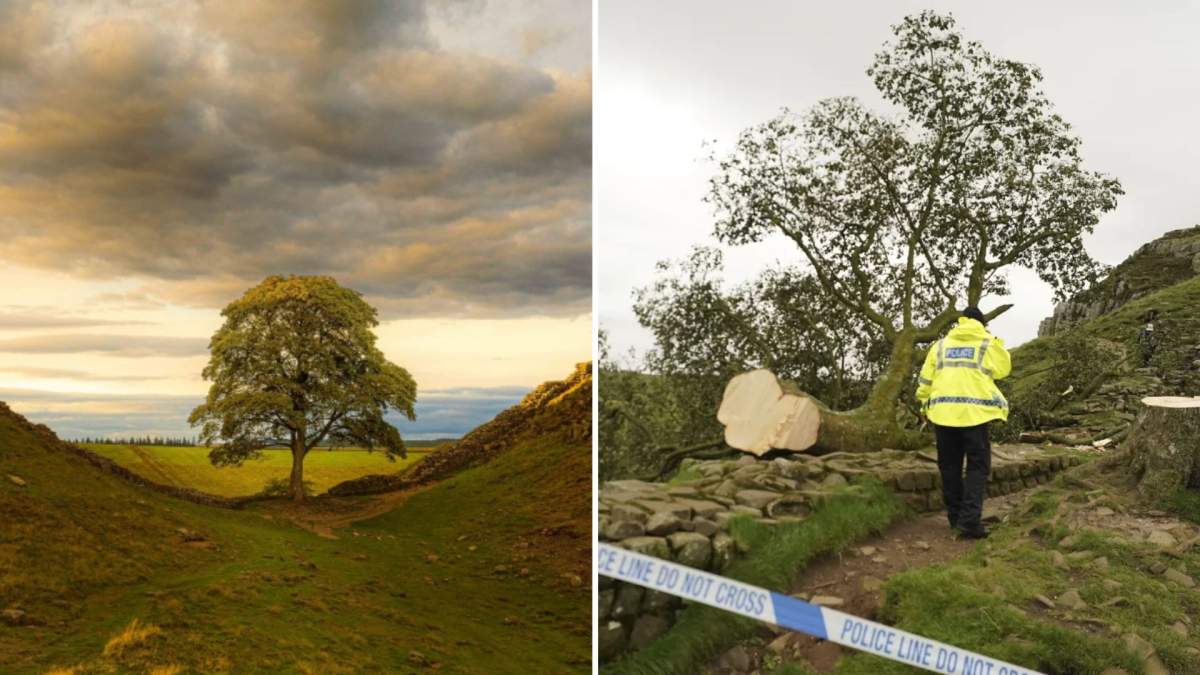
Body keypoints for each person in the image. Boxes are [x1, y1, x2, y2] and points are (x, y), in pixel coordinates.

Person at [915, 306, 1011, 539]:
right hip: (974, 415)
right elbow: (1003, 369)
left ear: (960, 321)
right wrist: (994, 339)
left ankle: (955, 518)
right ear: (981, 323)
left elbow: (925, 381)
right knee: (978, 468)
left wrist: (924, 405)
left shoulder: (939, 346)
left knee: (949, 467)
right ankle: (969, 522)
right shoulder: (987, 343)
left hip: (942, 414)